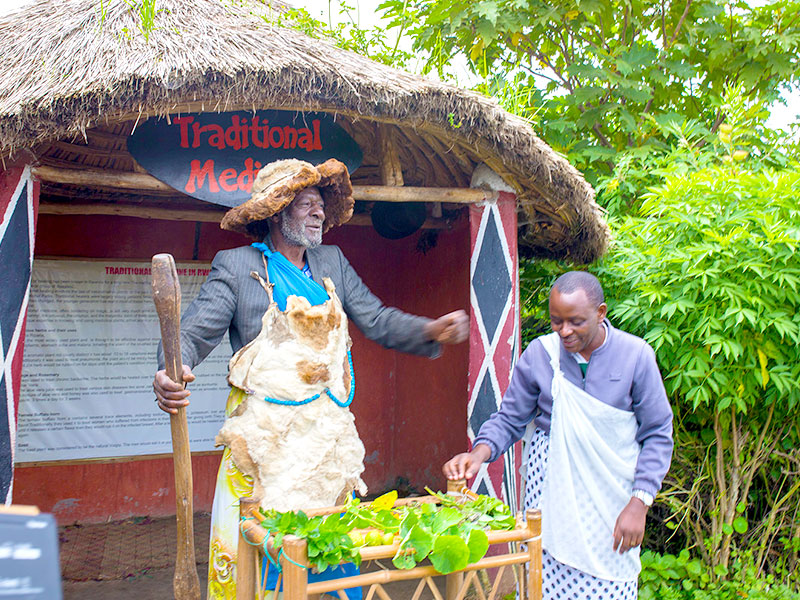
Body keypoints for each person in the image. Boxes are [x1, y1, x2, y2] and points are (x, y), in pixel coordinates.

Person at [153, 158, 469, 600]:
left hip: (325, 438)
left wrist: (430, 330)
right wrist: (171, 370)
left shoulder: (331, 262)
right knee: (264, 552)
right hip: (263, 440)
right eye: (306, 204)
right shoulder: (239, 266)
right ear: (277, 212)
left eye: (320, 205)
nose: (319, 213)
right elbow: (190, 335)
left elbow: (375, 319)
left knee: (327, 546)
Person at [443, 271, 673, 599]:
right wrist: (478, 453)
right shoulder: (541, 354)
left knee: (608, 584)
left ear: (601, 312)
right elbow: (510, 419)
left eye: (575, 321)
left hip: (610, 505)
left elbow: (658, 434)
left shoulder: (636, 357)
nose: (564, 331)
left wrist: (640, 502)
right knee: (542, 583)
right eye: (556, 321)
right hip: (548, 500)